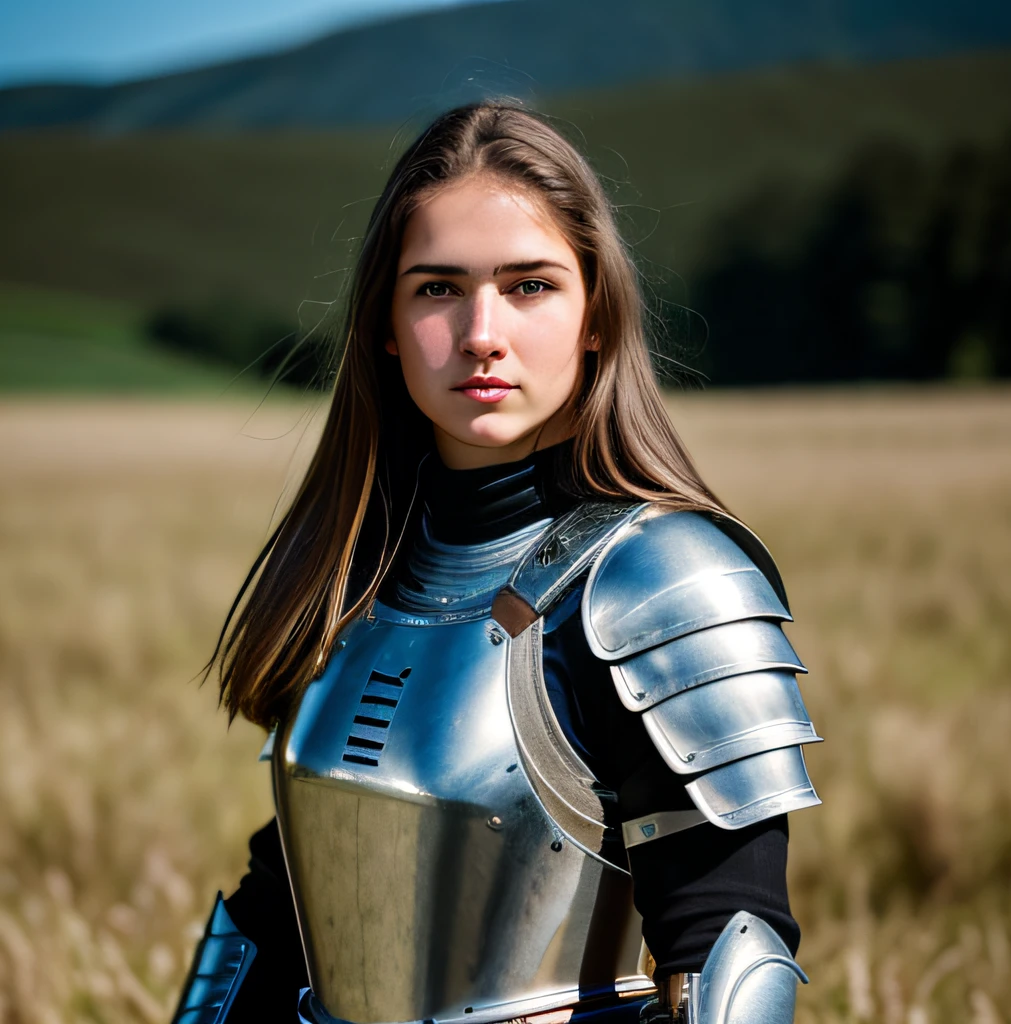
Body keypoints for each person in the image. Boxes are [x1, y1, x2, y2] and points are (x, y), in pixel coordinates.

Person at [172, 102, 821, 1024]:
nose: (482, 332)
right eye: (438, 288)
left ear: (596, 315)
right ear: (385, 326)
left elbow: (728, 947)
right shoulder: (352, 570)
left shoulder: (665, 583)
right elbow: (279, 912)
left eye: (529, 286)